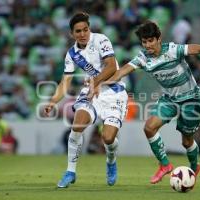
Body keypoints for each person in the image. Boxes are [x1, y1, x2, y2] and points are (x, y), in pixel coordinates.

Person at [90, 20, 200, 184]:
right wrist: (101, 83)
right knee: (149, 127)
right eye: (144, 42)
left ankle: (194, 166)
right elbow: (121, 72)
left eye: (150, 41)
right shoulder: (143, 58)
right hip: (169, 99)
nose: (147, 45)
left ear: (158, 39)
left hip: (191, 99)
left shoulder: (172, 50)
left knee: (187, 141)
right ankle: (165, 165)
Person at [43, 12, 128, 188]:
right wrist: (53, 101)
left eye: (85, 29)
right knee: (77, 125)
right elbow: (65, 82)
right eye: (78, 31)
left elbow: (111, 66)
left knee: (108, 137)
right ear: (71, 34)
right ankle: (70, 171)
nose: (83, 34)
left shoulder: (101, 40)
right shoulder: (72, 54)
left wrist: (95, 82)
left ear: (89, 29)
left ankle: (111, 161)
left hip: (114, 92)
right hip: (92, 93)